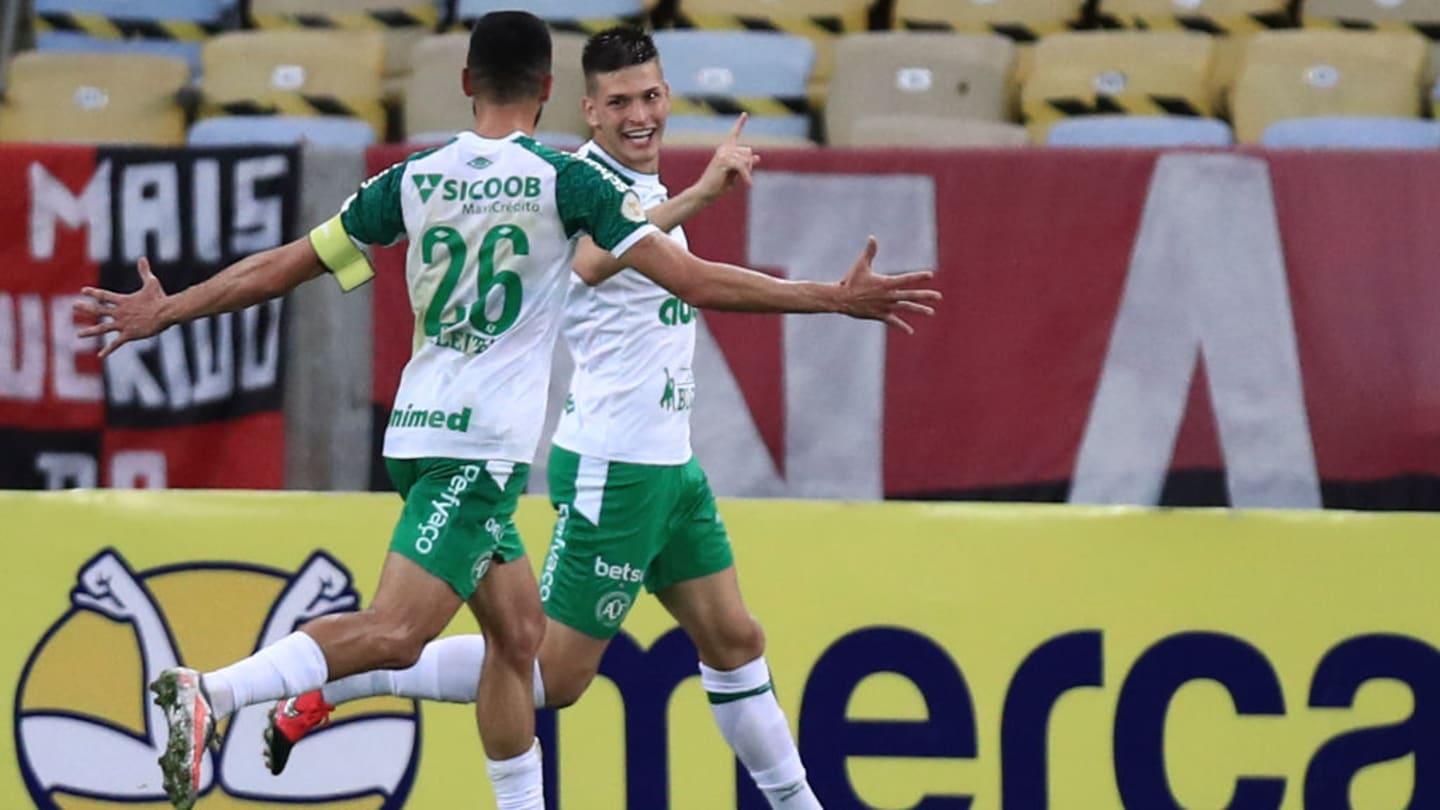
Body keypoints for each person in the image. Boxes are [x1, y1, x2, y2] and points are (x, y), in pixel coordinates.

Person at [260, 27, 911, 809]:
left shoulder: (639, 182)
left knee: (735, 640)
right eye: (620, 102)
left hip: (670, 462)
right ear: (588, 111)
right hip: (615, 464)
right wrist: (726, 213)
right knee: (550, 675)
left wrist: (693, 191)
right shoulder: (578, 182)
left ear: (667, 96)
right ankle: (336, 684)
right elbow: (591, 264)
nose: (640, 115)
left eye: (651, 96)